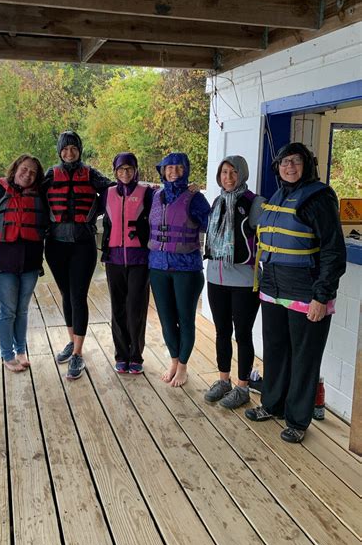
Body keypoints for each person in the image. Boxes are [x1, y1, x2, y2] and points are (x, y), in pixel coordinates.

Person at [245, 142, 346, 443]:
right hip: (274, 290)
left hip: (307, 294)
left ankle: (298, 420)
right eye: (284, 162)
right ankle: (272, 404)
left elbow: (333, 252)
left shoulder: (319, 198)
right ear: (277, 166)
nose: (290, 167)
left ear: (307, 165)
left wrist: (322, 296)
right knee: (276, 351)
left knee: (304, 357)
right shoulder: (279, 196)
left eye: (296, 161)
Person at [44, 131, 113, 380]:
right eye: (65, 149)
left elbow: (115, 190)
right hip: (55, 244)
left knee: (78, 295)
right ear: (60, 151)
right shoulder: (51, 174)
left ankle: (78, 353)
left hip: (83, 243)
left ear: (79, 150)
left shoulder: (91, 173)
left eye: (74, 148)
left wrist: (97, 213)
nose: (70, 153)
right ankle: (72, 341)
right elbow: (32, 193)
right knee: (65, 294)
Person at [203, 156, 265, 408]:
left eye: (233, 172)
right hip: (215, 276)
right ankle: (223, 380)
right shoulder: (218, 201)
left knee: (242, 334)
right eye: (224, 172)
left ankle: (242, 386)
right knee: (221, 331)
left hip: (243, 279)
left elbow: (266, 238)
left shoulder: (255, 203)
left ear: (242, 174)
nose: (227, 177)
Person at [148, 153, 210, 387]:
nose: (173, 171)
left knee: (185, 320)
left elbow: (212, 224)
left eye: (178, 167)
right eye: (168, 167)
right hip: (158, 266)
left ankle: (183, 366)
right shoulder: (155, 196)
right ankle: (173, 360)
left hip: (187, 268)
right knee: (166, 319)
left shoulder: (195, 198)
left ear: (186, 170)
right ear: (162, 171)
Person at [0, 154, 48, 372]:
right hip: (2, 261)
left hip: (30, 262)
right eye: (24, 169)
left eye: (33, 172)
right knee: (8, 310)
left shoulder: (40, 194)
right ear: (15, 168)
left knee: (22, 310)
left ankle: (21, 350)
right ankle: (7, 355)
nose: (28, 174)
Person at [101, 152, 154, 374]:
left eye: (129, 169)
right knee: (118, 308)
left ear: (136, 171)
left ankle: (136, 356)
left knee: (136, 308)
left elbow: (168, 202)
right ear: (115, 172)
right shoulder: (107, 193)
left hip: (139, 259)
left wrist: (190, 189)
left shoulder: (148, 193)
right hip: (113, 259)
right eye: (121, 169)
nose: (125, 173)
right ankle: (121, 354)